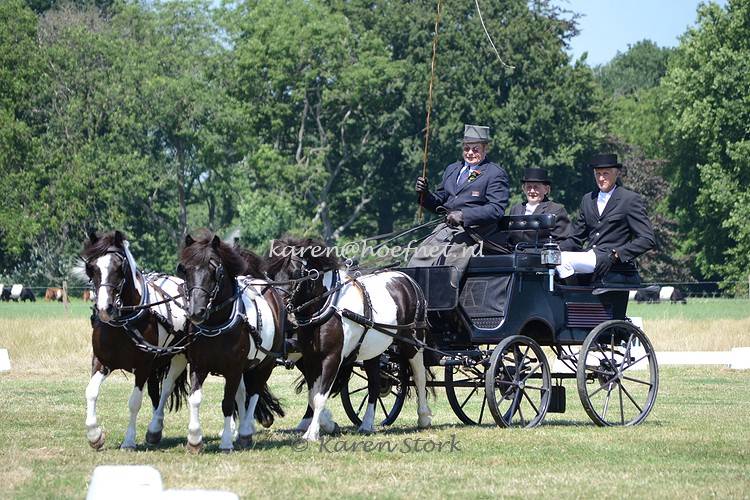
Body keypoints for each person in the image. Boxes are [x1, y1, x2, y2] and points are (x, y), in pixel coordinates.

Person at [410, 124, 510, 282]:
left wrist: (464, 215)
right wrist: (424, 194)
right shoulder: (452, 169)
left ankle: (444, 296)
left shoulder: (494, 173)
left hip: (475, 233)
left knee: (448, 265)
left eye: (475, 149)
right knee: (418, 261)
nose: (470, 153)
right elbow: (439, 202)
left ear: (485, 149)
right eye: (466, 148)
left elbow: (496, 209)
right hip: (446, 229)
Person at [557, 153, 655, 279]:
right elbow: (576, 238)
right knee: (553, 259)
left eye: (605, 174)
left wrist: (617, 254)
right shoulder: (588, 199)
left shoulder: (629, 199)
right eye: (598, 174)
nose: (601, 178)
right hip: (589, 257)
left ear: (616, 173)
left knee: (562, 260)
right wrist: (554, 249)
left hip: (612, 261)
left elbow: (647, 239)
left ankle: (574, 289)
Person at [506, 167, 570, 250]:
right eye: (529, 187)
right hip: (516, 254)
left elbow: (562, 241)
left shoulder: (556, 210)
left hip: (541, 255)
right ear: (523, 189)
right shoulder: (515, 209)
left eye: (536, 187)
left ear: (546, 189)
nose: (532, 191)